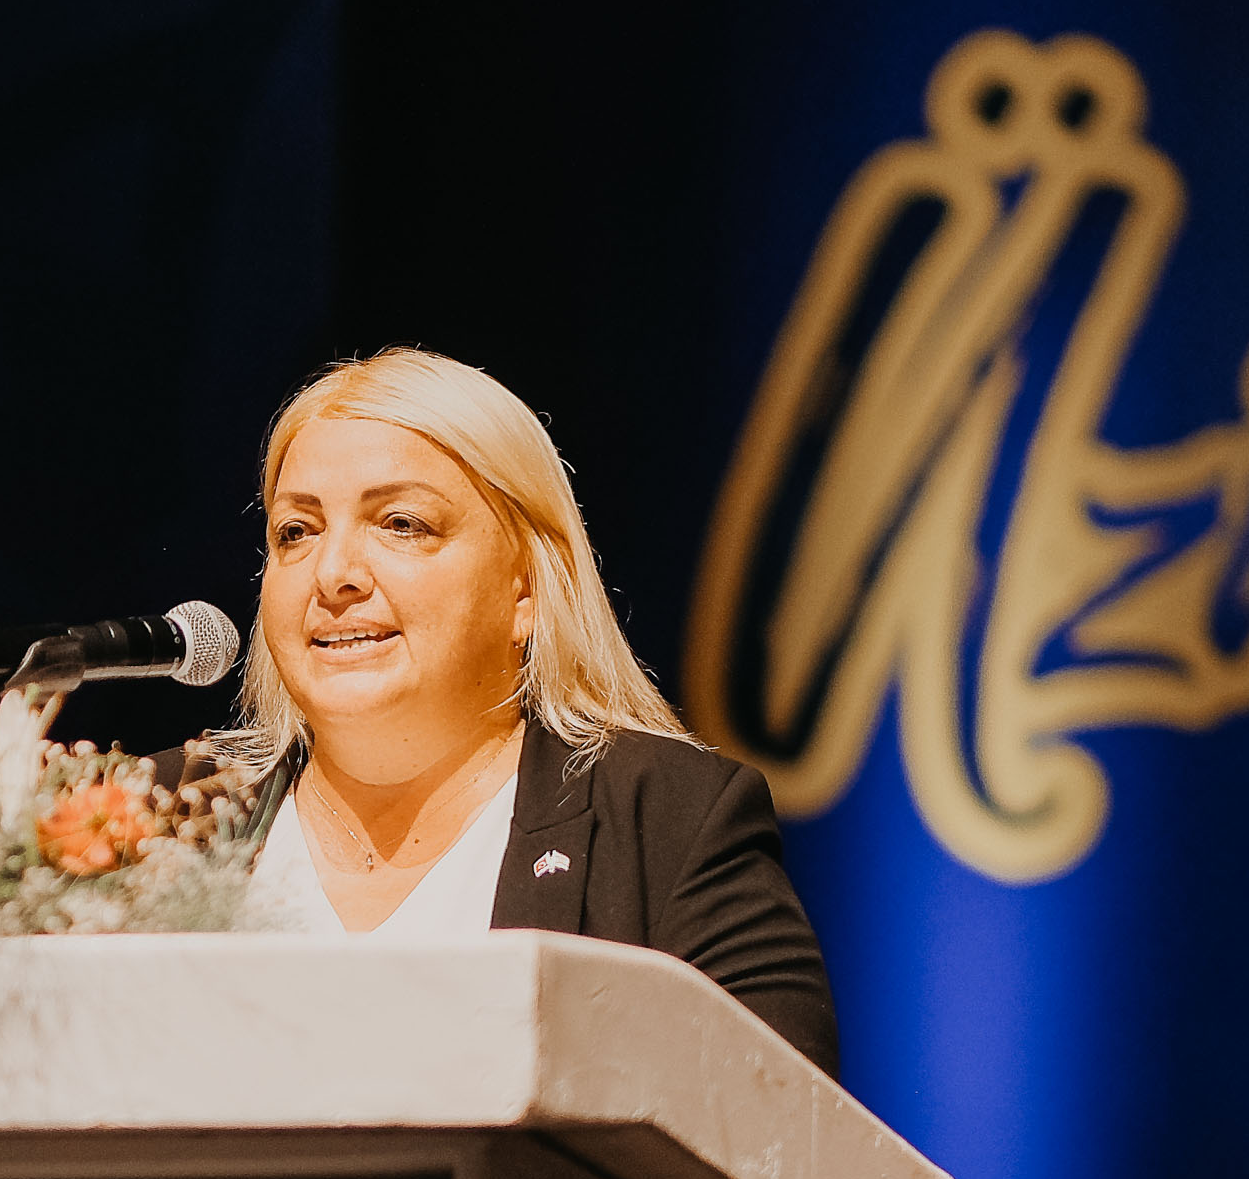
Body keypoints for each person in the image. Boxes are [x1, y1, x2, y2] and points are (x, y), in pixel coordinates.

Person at [230, 348, 841, 1075]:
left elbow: (776, 1122)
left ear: (524, 588)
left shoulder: (664, 824)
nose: (333, 574)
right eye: (295, 532)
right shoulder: (154, 820)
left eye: (401, 523)